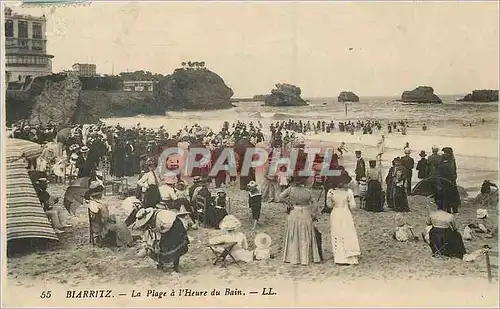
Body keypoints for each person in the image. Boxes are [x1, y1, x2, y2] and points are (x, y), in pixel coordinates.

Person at [279, 176, 321, 265]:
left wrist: (289, 204)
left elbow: (281, 196)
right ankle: (304, 258)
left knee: (293, 233)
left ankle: (292, 257)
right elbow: (315, 205)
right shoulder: (308, 191)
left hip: (294, 211)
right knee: (305, 234)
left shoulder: (290, 189)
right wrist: (314, 215)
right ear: (304, 181)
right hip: (305, 212)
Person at [133, 207, 190, 273]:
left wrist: (159, 228)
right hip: (167, 230)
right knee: (163, 247)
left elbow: (168, 224)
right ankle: (162, 264)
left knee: (174, 247)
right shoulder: (152, 222)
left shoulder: (160, 215)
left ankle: (175, 267)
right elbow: (154, 236)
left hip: (175, 227)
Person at [326, 170, 361, 265]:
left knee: (337, 233)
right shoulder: (349, 192)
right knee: (348, 233)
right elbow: (353, 206)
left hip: (336, 212)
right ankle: (350, 256)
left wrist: (334, 203)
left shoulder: (331, 192)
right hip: (345, 213)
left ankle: (339, 257)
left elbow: (329, 205)